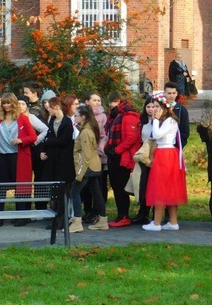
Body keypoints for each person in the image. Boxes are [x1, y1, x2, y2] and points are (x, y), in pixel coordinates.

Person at [143, 92, 188, 231]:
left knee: (161, 187)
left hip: (166, 154)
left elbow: (156, 135)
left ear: (164, 107)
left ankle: (156, 223)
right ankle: (173, 222)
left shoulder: (169, 120)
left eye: (157, 106)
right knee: (168, 188)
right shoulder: (166, 121)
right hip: (165, 153)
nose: (154, 109)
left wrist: (155, 120)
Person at [0, 93, 37, 225]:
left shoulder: (22, 119)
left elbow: (33, 136)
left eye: (9, 103)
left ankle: (20, 217)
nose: (6, 105)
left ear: (14, 104)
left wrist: (21, 140)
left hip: (18, 157)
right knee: (0, 187)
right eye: (4, 103)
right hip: (1, 157)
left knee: (20, 187)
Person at [104, 97, 141, 228]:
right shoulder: (115, 116)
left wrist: (116, 150)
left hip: (122, 157)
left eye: (115, 102)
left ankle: (124, 216)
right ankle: (121, 215)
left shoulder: (128, 116)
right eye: (111, 102)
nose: (112, 105)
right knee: (116, 186)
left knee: (121, 187)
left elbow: (131, 137)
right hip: (114, 156)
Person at [69, 105, 106, 233]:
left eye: (76, 115)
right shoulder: (88, 128)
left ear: (83, 117)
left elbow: (86, 155)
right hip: (94, 166)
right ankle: (102, 220)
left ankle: (77, 222)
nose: (75, 117)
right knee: (96, 192)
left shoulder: (85, 132)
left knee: (74, 191)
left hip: (87, 167)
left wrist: (79, 174)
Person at [40, 96, 75, 229]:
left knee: (62, 192)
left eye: (50, 107)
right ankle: (54, 217)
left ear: (56, 107)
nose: (48, 110)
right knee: (53, 191)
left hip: (63, 162)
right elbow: (49, 137)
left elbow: (64, 141)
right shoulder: (52, 121)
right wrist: (43, 150)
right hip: (52, 161)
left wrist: (49, 143)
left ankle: (61, 219)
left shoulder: (66, 122)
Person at [131, 97, 155, 226]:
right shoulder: (142, 121)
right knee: (142, 185)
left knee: (154, 186)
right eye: (148, 107)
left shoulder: (160, 122)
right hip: (143, 157)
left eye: (153, 106)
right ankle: (143, 212)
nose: (151, 109)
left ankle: (156, 213)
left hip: (155, 157)